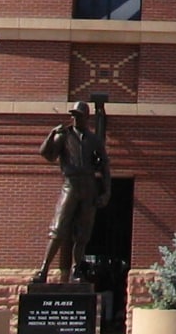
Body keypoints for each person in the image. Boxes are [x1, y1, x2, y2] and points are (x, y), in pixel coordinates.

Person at [34, 100, 112, 283]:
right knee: (58, 228)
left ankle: (78, 270)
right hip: (70, 184)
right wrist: (52, 133)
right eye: (73, 115)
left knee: (83, 232)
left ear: (86, 117)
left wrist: (106, 192)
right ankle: (43, 270)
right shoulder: (64, 135)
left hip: (89, 186)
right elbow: (47, 154)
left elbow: (105, 167)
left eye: (78, 116)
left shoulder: (94, 140)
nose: (74, 119)